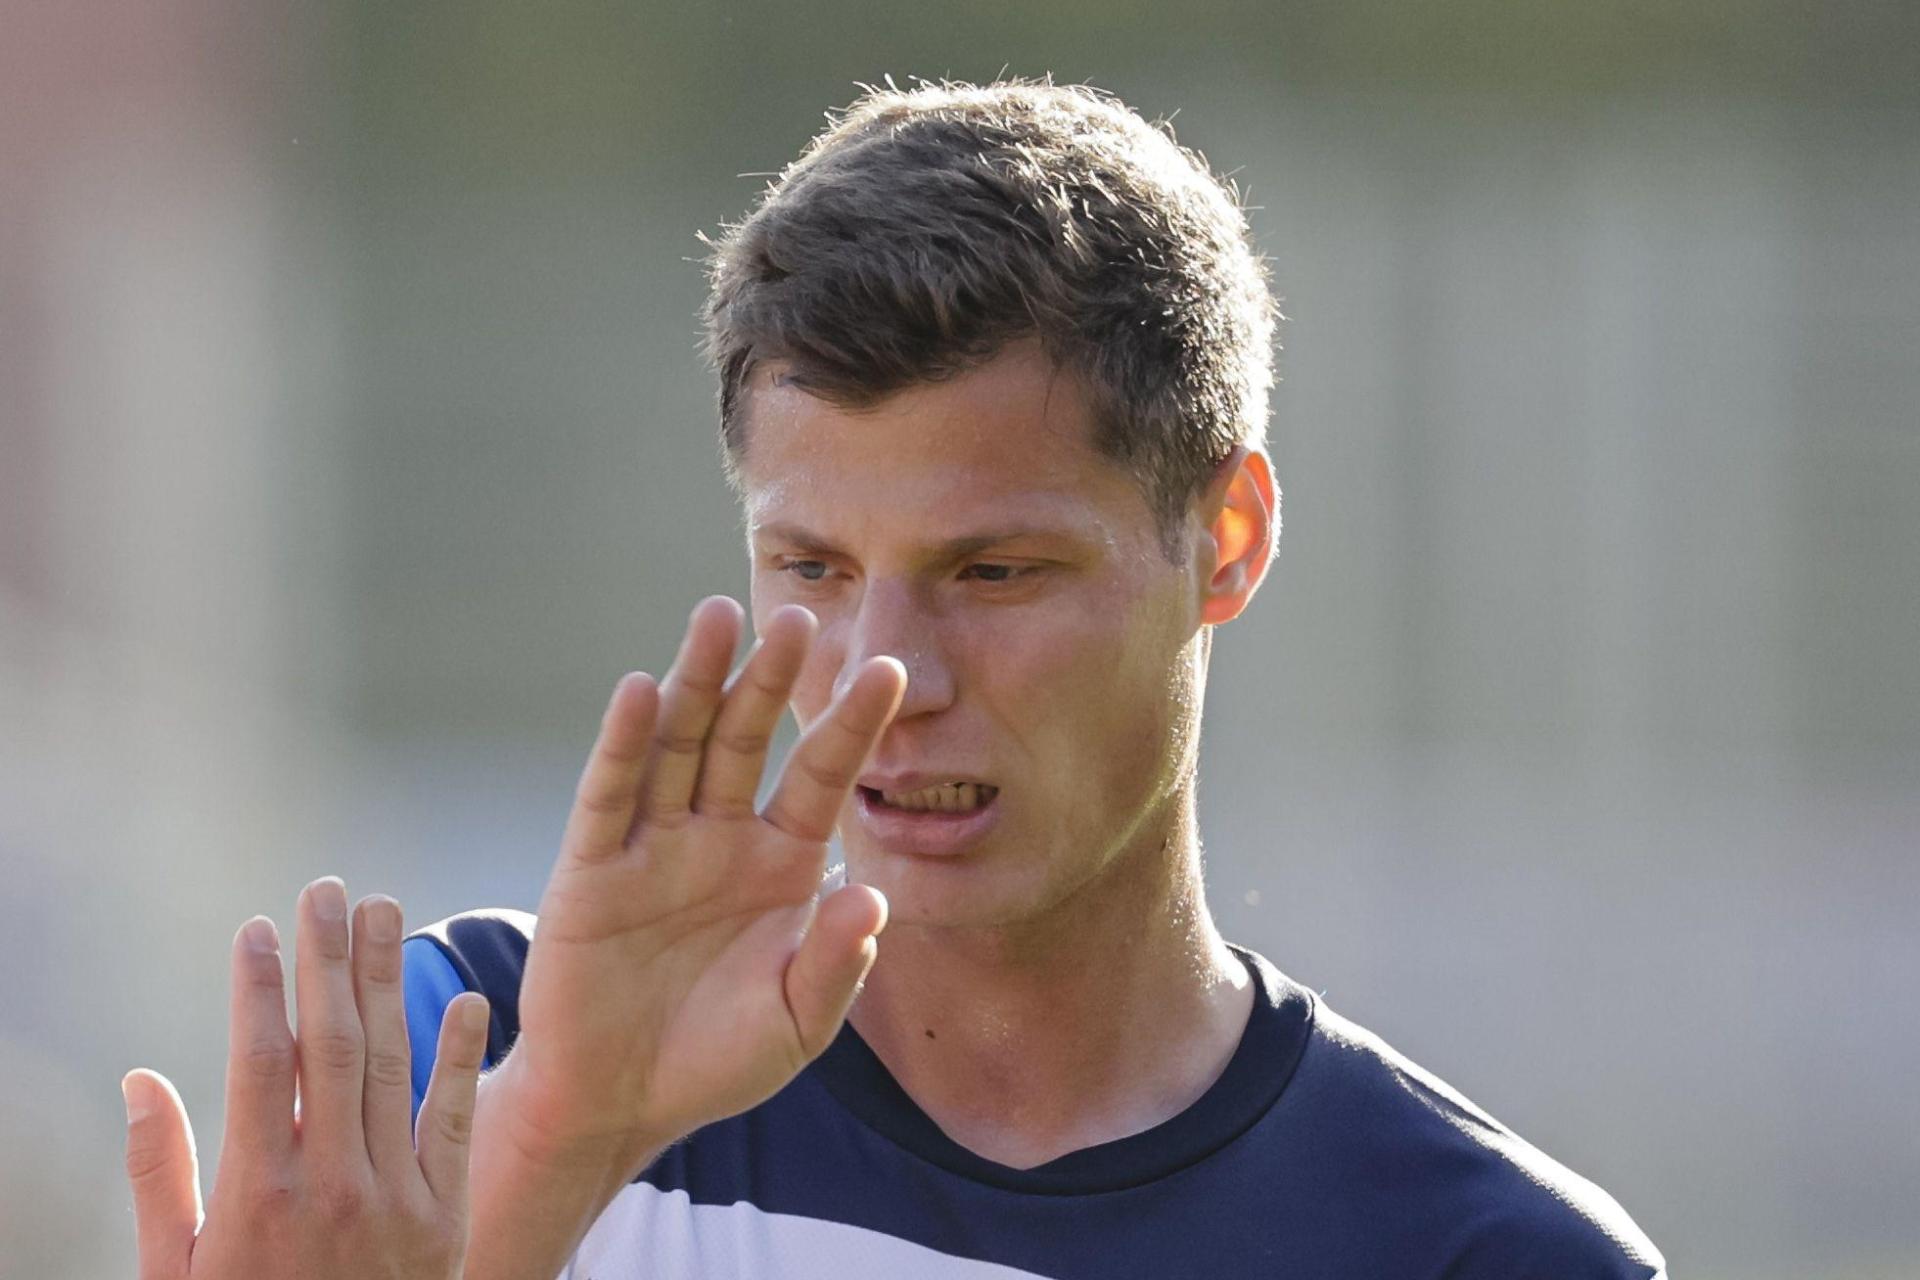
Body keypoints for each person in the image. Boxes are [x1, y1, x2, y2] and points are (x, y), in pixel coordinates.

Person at [124, 78, 1665, 1279]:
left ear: (1228, 538)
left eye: (994, 574)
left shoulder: (1480, 1257)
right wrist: (574, 1132)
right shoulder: (463, 1051)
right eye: (813, 571)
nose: (889, 678)